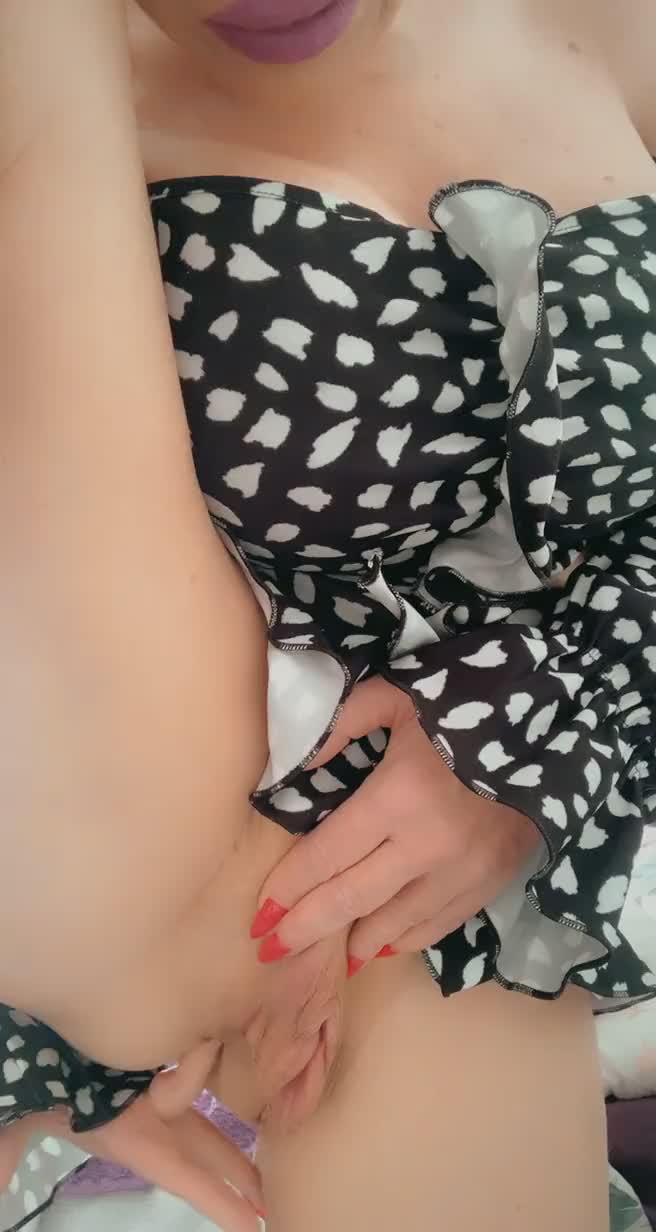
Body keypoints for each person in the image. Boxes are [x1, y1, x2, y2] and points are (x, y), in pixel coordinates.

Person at [1, 0, 655, 1228]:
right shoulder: (40, 75)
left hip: (403, 924)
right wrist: (31, 1052)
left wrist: (548, 725)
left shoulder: (610, 25)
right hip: (181, 908)